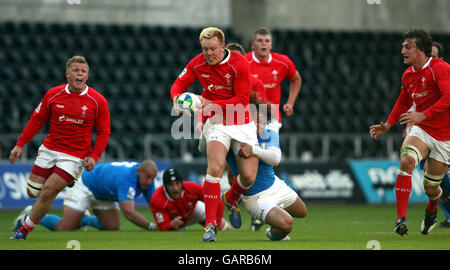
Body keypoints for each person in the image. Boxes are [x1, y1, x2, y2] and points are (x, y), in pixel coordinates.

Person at [170, 26, 259, 242]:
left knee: (248, 177)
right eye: (204, 49)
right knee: (215, 168)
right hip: (217, 123)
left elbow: (241, 100)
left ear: (222, 45)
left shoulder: (239, 63)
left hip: (241, 121)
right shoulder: (197, 63)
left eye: (212, 49)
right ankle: (210, 225)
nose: (208, 53)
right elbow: (178, 84)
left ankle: (231, 197)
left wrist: (210, 105)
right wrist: (176, 100)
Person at [9, 56, 111, 240]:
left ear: (87, 76)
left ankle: (23, 231)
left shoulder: (98, 101)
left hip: (75, 156)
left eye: (83, 71)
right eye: (76, 70)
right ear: (67, 74)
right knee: (32, 192)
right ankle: (33, 208)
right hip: (49, 149)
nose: (80, 74)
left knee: (48, 191)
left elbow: (104, 132)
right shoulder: (53, 94)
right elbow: (36, 119)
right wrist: (20, 144)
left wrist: (94, 156)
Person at [369, 29, 450, 236]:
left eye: (408, 47)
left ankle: (432, 207)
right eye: (403, 46)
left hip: (445, 136)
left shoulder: (439, 68)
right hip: (421, 130)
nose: (403, 50)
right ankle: (401, 219)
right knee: (406, 161)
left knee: (432, 189)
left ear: (421, 50)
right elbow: (403, 101)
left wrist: (424, 114)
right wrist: (388, 124)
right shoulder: (408, 75)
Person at [226, 99, 307, 240]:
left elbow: (275, 159)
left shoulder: (269, 134)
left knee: (302, 212)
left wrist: (254, 150)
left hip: (276, 185)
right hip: (256, 198)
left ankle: (273, 211)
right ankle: (273, 233)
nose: (261, 125)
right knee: (286, 225)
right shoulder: (235, 137)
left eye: (263, 121)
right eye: (257, 121)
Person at [12, 161, 159, 232]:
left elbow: (157, 204)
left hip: (104, 193)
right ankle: (29, 216)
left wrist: (167, 223)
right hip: (85, 185)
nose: (149, 181)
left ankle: (83, 219)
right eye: (147, 177)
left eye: (152, 178)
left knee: (112, 227)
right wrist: (152, 227)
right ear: (139, 171)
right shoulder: (127, 179)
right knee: (65, 228)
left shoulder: (146, 176)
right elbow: (128, 212)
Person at [402, 40, 450, 228]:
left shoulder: (443, 75)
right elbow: (411, 104)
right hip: (426, 133)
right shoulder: (417, 78)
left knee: (440, 181)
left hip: (445, 135)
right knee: (435, 182)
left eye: (435, 56)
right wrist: (409, 127)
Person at [245, 27, 302, 133]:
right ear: (253, 45)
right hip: (249, 117)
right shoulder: (244, 62)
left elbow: (296, 79)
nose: (263, 44)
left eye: (267, 41)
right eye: (259, 41)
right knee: (250, 149)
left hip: (271, 117)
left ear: (271, 45)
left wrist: (290, 103)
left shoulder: (283, 62)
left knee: (271, 148)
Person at [150, 168, 231, 232]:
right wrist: (170, 225)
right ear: (165, 186)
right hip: (176, 220)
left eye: (177, 183)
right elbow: (162, 226)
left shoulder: (191, 188)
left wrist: (217, 222)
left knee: (224, 228)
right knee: (169, 233)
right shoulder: (157, 199)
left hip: (194, 210)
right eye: (171, 184)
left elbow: (216, 201)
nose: (175, 188)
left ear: (181, 183)